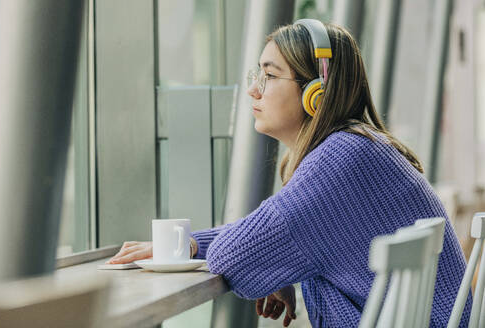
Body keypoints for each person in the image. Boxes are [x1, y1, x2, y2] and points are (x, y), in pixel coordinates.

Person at [107, 19, 471, 327]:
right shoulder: (358, 147)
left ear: (317, 92)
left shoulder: (339, 159)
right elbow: (276, 234)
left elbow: (233, 257)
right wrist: (273, 258)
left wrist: (263, 260)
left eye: (269, 75)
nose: (253, 89)